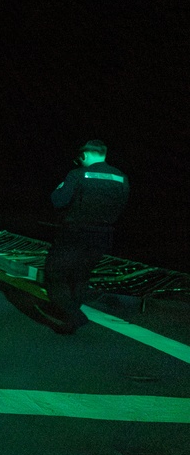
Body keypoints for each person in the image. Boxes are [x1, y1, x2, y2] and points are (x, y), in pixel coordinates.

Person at [39, 139, 129, 333]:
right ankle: (67, 312)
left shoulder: (77, 174)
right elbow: (122, 205)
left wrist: (59, 188)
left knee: (55, 274)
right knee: (81, 275)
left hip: (74, 234)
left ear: (85, 155)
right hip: (104, 236)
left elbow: (58, 201)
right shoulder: (121, 177)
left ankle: (74, 315)